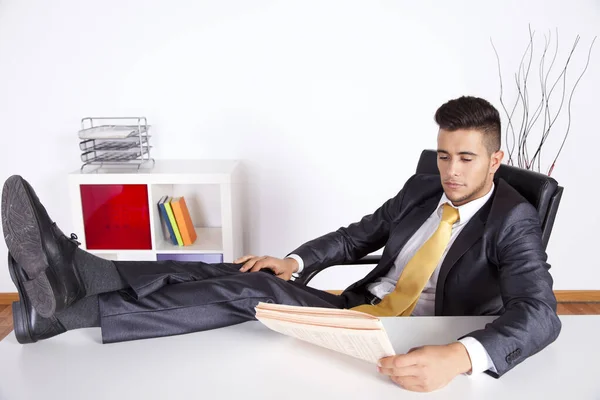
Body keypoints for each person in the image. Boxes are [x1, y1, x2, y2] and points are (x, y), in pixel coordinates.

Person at [1, 96, 561, 393]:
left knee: (250, 297)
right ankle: (77, 280)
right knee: (242, 271)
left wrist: (460, 357)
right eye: (444, 155)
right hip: (361, 307)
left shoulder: (513, 221)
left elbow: (541, 314)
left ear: (495, 159)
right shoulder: (423, 187)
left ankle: (73, 305)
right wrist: (294, 261)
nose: (451, 171)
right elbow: (358, 234)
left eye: (466, 159)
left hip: (405, 331)